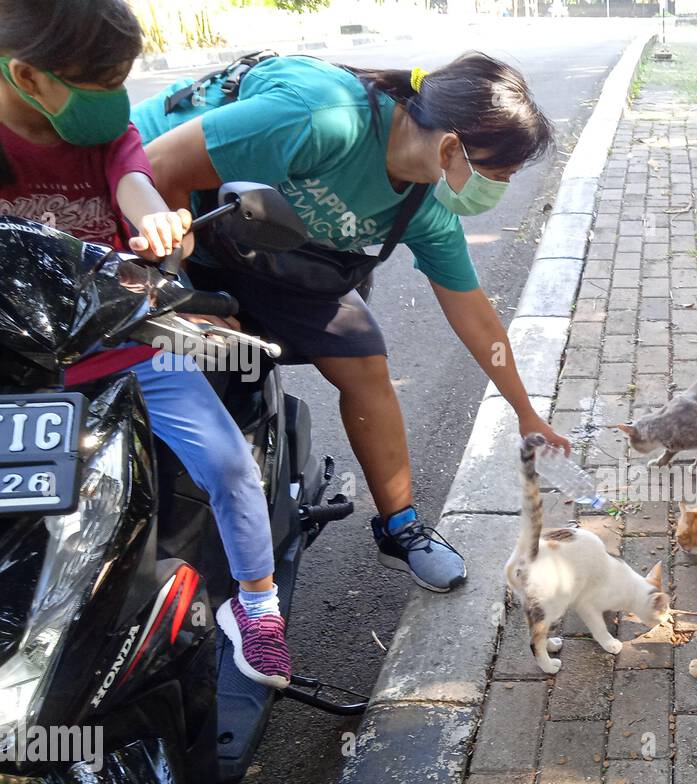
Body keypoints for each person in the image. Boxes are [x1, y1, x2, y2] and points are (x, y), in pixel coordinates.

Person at [134, 51, 571, 595]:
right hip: (161, 215)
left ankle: (401, 528)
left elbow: (477, 318)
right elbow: (159, 167)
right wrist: (173, 290)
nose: (496, 191)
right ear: (452, 148)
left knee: (366, 363)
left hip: (267, 246)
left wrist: (526, 413)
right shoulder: (322, 118)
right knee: (153, 362)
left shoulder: (425, 207)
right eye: (496, 176)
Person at [0, 0, 291, 687]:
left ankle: (258, 606)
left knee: (227, 466)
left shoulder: (106, 135)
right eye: (96, 81)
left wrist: (161, 227)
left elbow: (138, 188)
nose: (113, 97)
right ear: (27, 76)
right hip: (22, 360)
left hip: (126, 339)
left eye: (118, 78)